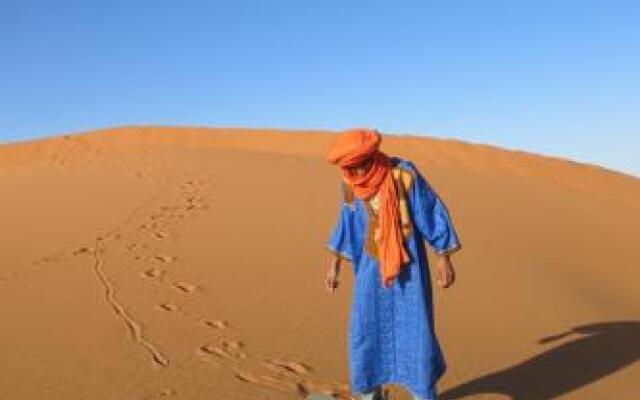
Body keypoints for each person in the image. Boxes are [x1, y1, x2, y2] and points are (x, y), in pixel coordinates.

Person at [324, 128, 461, 400]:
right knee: (365, 334)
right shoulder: (350, 186)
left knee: (416, 335)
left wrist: (443, 258)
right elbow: (347, 226)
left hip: (410, 275)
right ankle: (370, 395)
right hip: (370, 275)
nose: (358, 173)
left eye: (361, 165)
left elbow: (431, 211)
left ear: (372, 156)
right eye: (351, 168)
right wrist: (334, 266)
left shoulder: (403, 174)